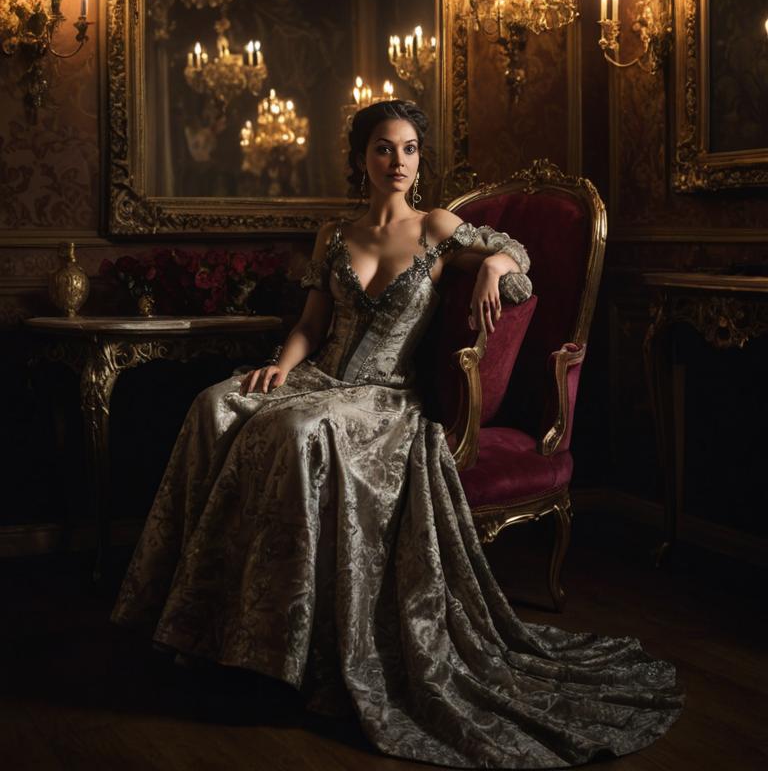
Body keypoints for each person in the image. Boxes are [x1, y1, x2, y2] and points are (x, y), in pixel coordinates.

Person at [113, 100, 682, 768]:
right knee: (214, 404)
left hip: (384, 400)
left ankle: (279, 650)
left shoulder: (437, 226)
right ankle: (197, 622)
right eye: (385, 149)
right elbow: (309, 326)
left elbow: (514, 255)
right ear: (361, 159)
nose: (399, 162)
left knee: (300, 432)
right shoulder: (334, 235)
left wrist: (493, 266)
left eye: (410, 149)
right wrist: (279, 366)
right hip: (319, 378)